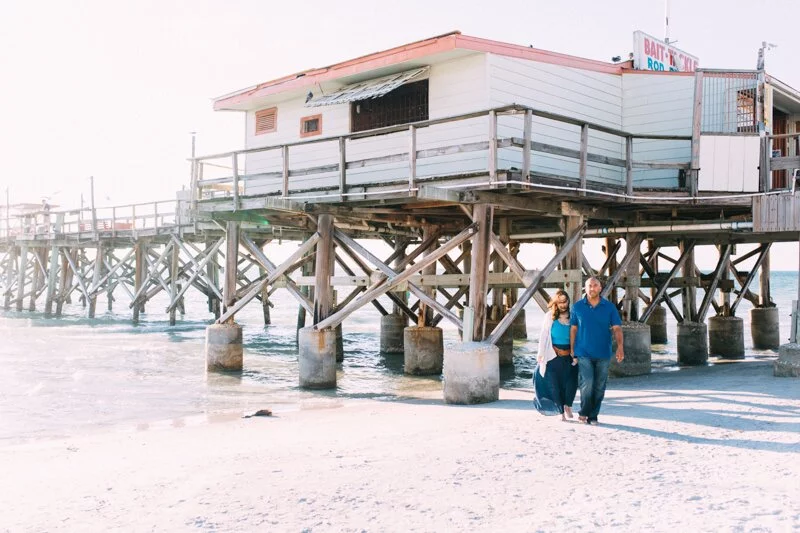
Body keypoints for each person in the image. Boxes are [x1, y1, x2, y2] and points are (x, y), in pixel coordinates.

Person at [569, 277, 624, 425]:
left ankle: (593, 415)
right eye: (589, 286)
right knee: (587, 382)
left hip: (603, 352)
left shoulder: (609, 307)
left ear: (600, 288)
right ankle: (584, 412)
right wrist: (572, 349)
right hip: (583, 352)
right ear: (585, 289)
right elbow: (573, 329)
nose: (592, 288)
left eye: (595, 286)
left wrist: (620, 347)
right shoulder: (577, 307)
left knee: (599, 386)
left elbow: (617, 328)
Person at [533, 289, 579, 421]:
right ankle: (561, 412)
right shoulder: (550, 316)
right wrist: (540, 353)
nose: (563, 305)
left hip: (570, 355)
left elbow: (579, 335)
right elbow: (544, 335)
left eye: (565, 301)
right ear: (556, 303)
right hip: (553, 354)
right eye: (560, 302)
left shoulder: (573, 315)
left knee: (571, 383)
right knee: (554, 384)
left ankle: (568, 405)